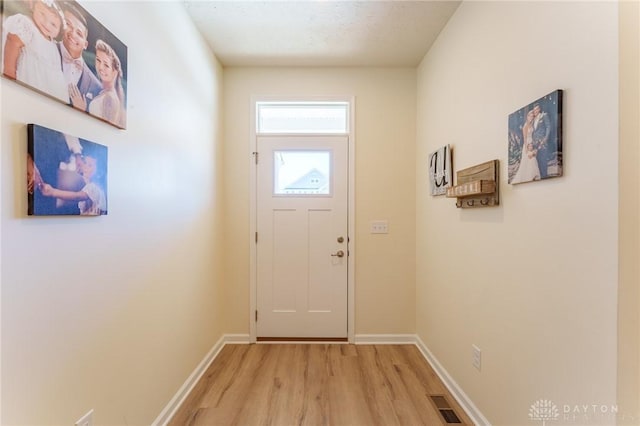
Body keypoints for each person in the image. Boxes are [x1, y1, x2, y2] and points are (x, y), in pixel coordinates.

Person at [2, 0, 68, 102]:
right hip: (22, 84)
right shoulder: (27, 24)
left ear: (60, 31)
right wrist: (9, 77)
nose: (46, 24)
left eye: (53, 24)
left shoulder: (53, 46)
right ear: (33, 6)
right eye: (42, 14)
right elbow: (12, 45)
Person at [58, 3, 102, 110]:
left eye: (79, 33)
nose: (73, 34)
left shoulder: (96, 86)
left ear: (85, 45)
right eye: (68, 24)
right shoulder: (44, 47)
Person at [40, 151, 106, 215]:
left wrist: (53, 192)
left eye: (90, 165)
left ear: (100, 173)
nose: (85, 166)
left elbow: (77, 196)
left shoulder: (92, 187)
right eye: (85, 163)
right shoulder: (98, 188)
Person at [89, 39, 126, 128]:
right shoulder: (105, 93)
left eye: (106, 65)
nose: (100, 67)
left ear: (115, 72)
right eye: (98, 60)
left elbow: (103, 132)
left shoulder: (110, 98)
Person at [511, 109, 541, 184]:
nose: (531, 117)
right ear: (527, 117)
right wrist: (526, 149)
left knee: (533, 159)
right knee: (528, 160)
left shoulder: (532, 125)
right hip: (527, 144)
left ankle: (532, 175)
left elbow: (533, 134)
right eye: (530, 116)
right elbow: (524, 138)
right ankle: (527, 176)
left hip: (531, 143)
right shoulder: (525, 126)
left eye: (532, 116)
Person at [532, 103, 551, 178]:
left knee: (543, 160)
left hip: (542, 141)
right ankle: (540, 176)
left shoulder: (544, 115)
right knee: (538, 160)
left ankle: (544, 176)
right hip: (535, 143)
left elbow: (548, 127)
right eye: (534, 110)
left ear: (539, 109)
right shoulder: (533, 119)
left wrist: (545, 138)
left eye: (537, 109)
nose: (535, 111)